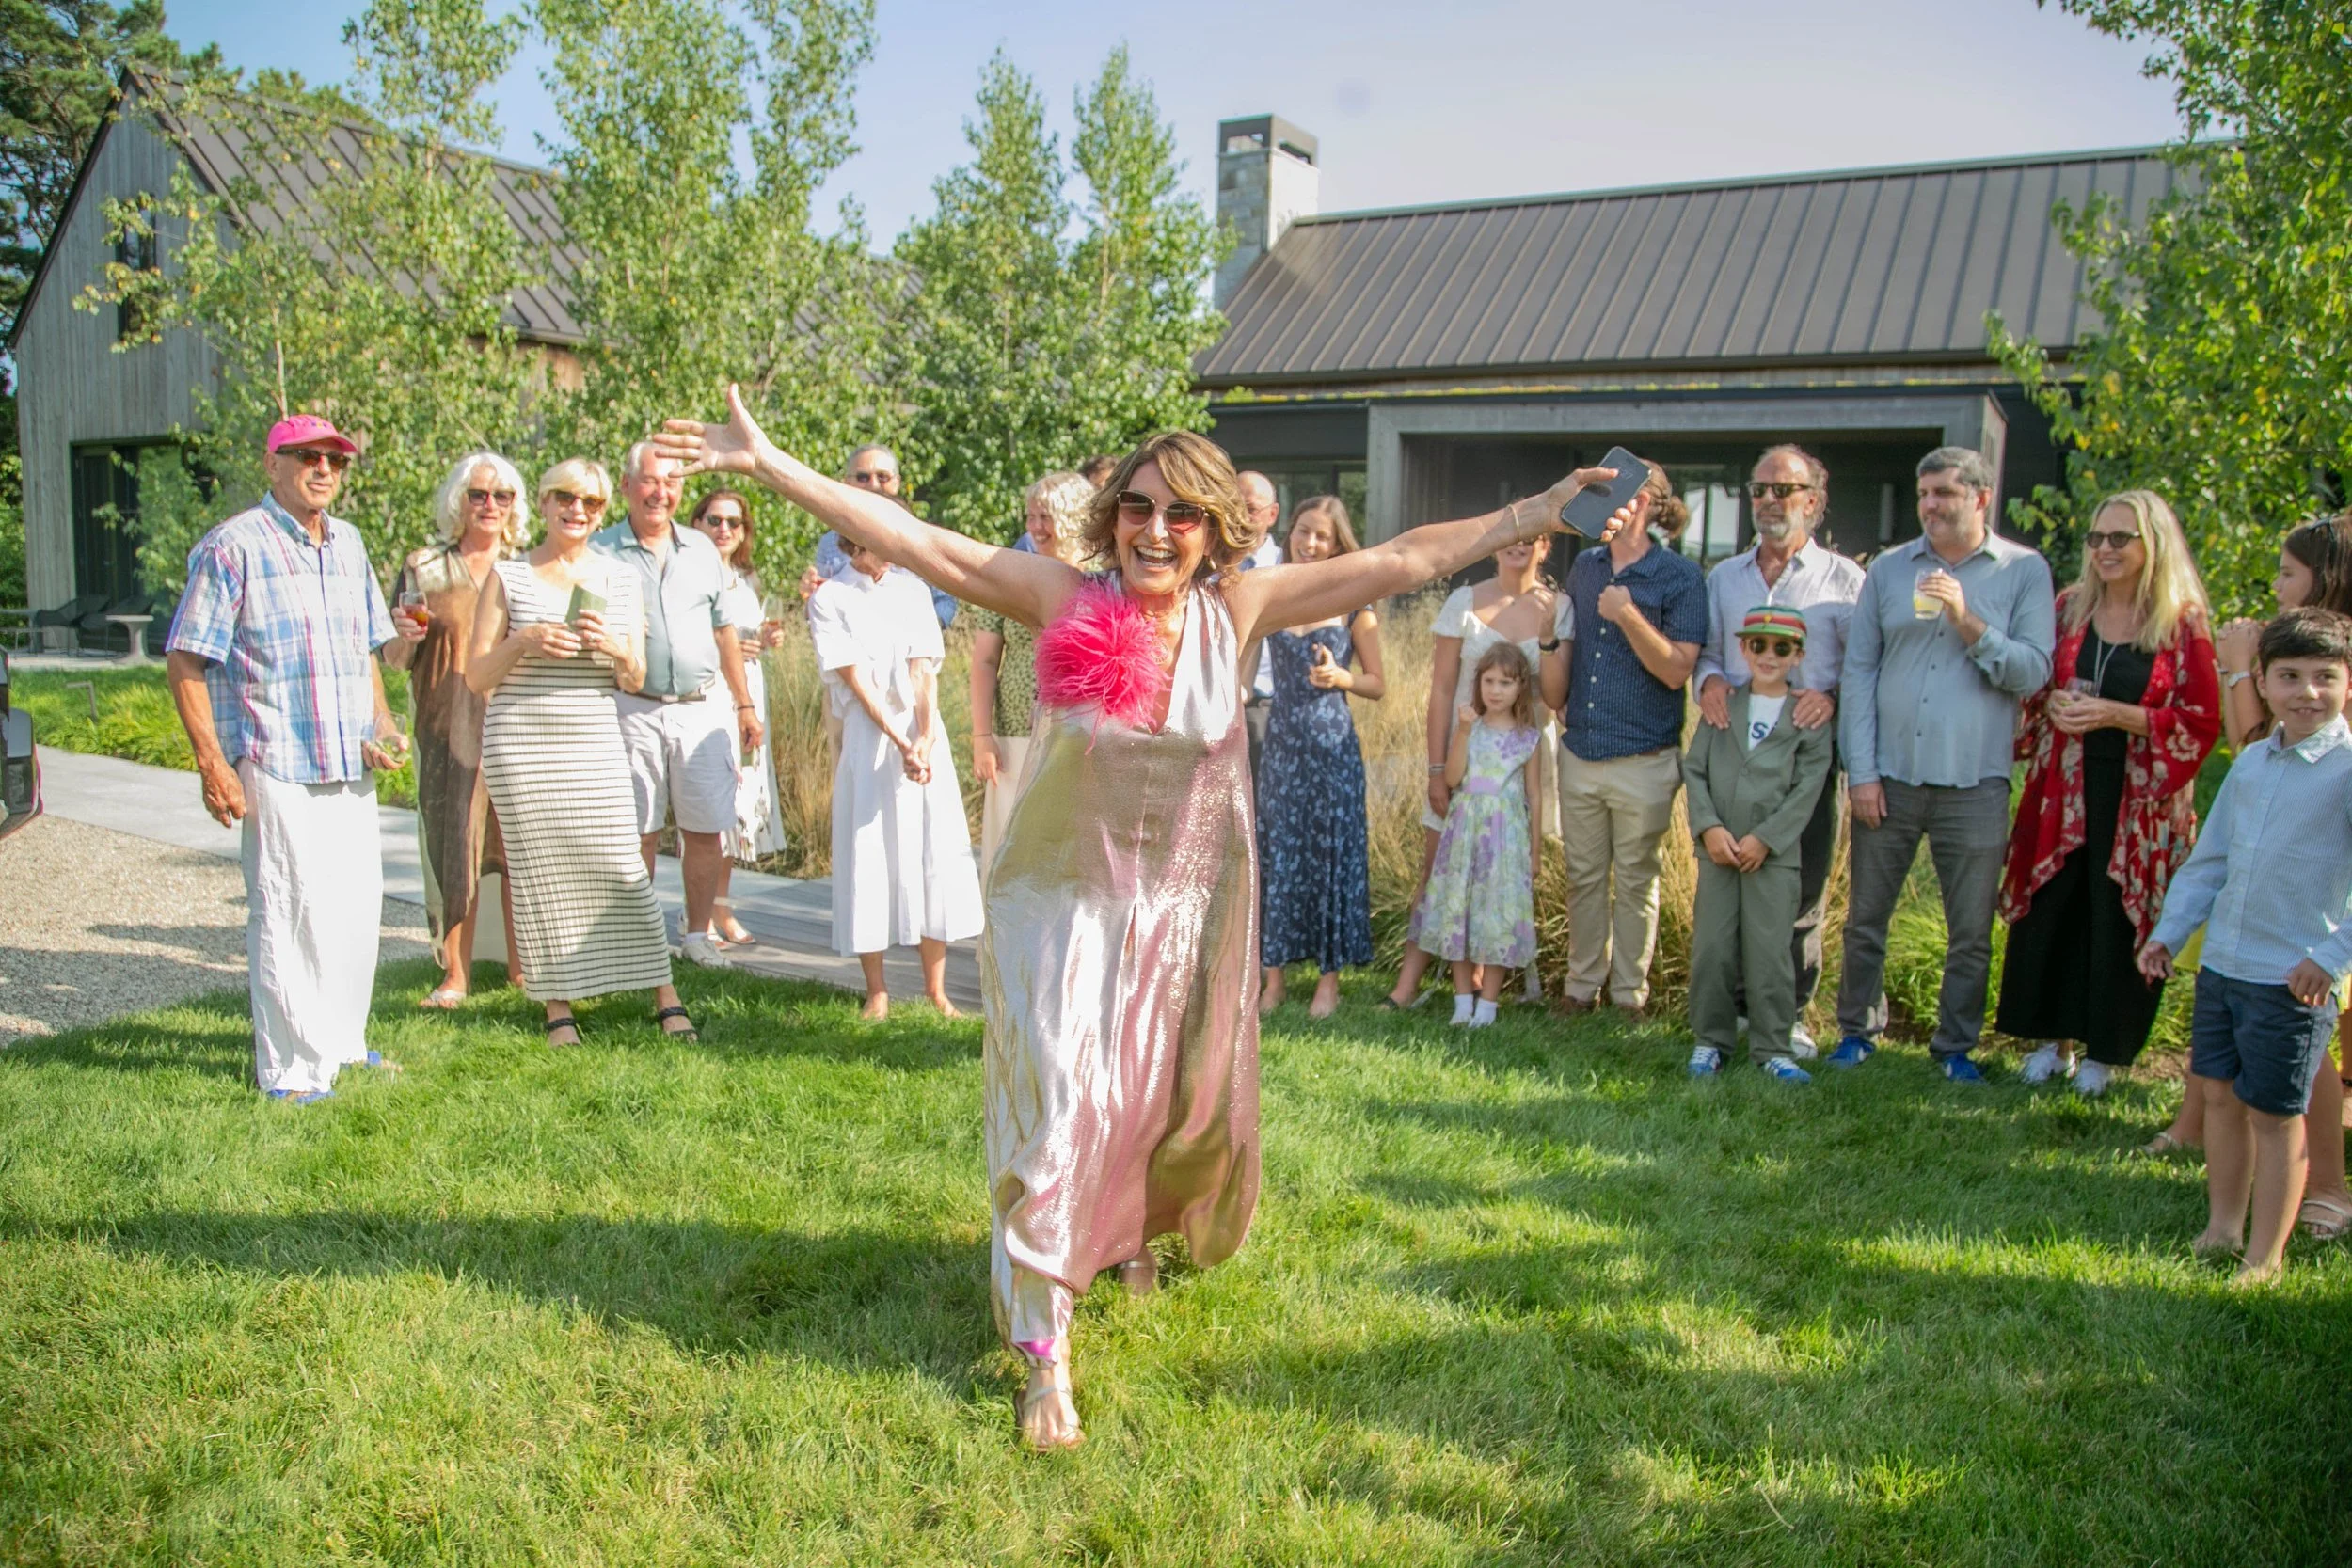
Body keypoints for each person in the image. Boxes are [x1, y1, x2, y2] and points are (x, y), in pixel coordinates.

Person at [658, 386, 1628, 1453]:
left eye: (1180, 514)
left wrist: (1531, 512)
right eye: (1138, 507)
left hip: (1188, 912)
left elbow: (1398, 559)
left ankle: (1128, 1228)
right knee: (1065, 1098)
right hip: (1061, 903)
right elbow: (916, 538)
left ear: (1214, 532)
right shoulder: (1058, 594)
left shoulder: (1238, 613)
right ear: (1112, 513)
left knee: (1175, 1102)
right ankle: (1043, 1352)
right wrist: (770, 461)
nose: (1154, 530)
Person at [163, 414, 407, 1101]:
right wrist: (213, 763)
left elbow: (364, 650)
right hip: (274, 758)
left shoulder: (351, 544)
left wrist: (381, 721)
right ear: (272, 465)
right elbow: (185, 656)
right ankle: (293, 1070)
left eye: (336, 460)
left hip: (347, 759)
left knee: (356, 911)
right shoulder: (233, 545)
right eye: (306, 456)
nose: (324, 469)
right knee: (289, 911)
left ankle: (342, 1046)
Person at [2150, 511, 2352, 1241]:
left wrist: (2329, 960)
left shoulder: (2347, 768)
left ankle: (2265, 1254)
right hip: (2226, 967)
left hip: (2292, 974)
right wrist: (2171, 932)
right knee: (2222, 1097)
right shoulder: (2257, 761)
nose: (2307, 693)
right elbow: (2211, 861)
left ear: (2347, 684)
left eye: (2325, 679)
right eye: (2289, 677)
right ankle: (2224, 1225)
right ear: (2260, 683)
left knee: (2275, 1112)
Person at [1833, 447, 2055, 1080]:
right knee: (1867, 918)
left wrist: (1966, 618)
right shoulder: (1891, 570)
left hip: (1975, 780)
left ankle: (1954, 1047)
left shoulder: (2022, 571)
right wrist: (1863, 772)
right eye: (1923, 492)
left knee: (1970, 931)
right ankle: (1856, 1032)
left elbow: (2034, 670)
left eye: (1944, 494)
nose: (1929, 504)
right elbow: (1861, 671)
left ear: (1980, 498)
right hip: (1892, 776)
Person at [467, 459, 699, 1045]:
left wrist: (617, 648)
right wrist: (524, 639)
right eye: (565, 497)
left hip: (593, 739)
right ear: (542, 504)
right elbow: (474, 676)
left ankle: (662, 992)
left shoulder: (620, 580)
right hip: (521, 741)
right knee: (542, 874)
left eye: (592, 502)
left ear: (602, 512)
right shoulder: (509, 578)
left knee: (623, 867)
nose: (578, 510)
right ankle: (557, 1004)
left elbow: (635, 675)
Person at [1996, 492, 2219, 1095]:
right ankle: (2052, 1040)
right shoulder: (2070, 608)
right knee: (2055, 907)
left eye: (2120, 538)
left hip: (2137, 795)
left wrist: (2118, 714)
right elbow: (2036, 686)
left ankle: (2103, 1051)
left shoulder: (2182, 621)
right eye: (2097, 538)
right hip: (2062, 786)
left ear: (2155, 543)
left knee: (2114, 916)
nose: (2104, 550)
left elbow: (2201, 718)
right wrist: (2054, 704)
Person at [1692, 445, 1863, 1052]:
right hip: (1735, 754)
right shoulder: (1724, 578)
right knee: (1731, 880)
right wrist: (1711, 679)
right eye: (1759, 489)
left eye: (1782, 490)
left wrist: (1835, 696)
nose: (1767, 501)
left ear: (1812, 502)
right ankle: (1735, 1013)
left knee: (1799, 889)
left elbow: (1865, 667)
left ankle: (1787, 1014)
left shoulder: (1845, 581)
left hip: (1804, 760)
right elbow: (1711, 652)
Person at [1539, 457, 1708, 1018]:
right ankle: (1581, 987)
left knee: (1637, 881)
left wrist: (1629, 614)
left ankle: (1629, 995)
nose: (1615, 501)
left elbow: (1678, 670)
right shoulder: (1585, 568)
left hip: (1644, 758)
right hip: (1582, 750)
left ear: (1652, 503)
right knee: (1584, 879)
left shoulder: (1681, 577)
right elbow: (1570, 651)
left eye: (1628, 492)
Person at [591, 443, 764, 971]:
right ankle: (636, 937)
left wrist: (744, 705)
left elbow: (724, 631)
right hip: (630, 706)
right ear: (626, 487)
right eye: (649, 481)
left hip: (698, 706)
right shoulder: (599, 551)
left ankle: (696, 935)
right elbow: (586, 631)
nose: (660, 492)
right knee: (636, 829)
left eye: (670, 483)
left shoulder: (702, 550)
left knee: (705, 828)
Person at [1387, 532, 1568, 1008]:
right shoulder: (1464, 602)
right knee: (1437, 870)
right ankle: (1407, 986)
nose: (1519, 546)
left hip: (1519, 757)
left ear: (1544, 547)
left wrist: (1548, 636)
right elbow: (1443, 689)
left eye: (1531, 539)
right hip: (1464, 751)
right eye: (1511, 537)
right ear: (1495, 546)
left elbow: (1554, 696)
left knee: (1497, 877)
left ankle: (1479, 992)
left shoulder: (1558, 606)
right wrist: (1436, 767)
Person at [809, 531, 984, 1017]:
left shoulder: (912, 591)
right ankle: (878, 990)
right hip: (869, 739)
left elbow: (922, 669)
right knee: (871, 852)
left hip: (924, 741)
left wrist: (924, 736)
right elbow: (855, 680)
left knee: (933, 849)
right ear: (854, 543)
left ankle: (936, 990)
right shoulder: (831, 598)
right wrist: (898, 738)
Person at [386, 451, 529, 1006]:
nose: (490, 506)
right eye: (478, 495)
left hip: (515, 723)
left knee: (519, 849)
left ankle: (523, 971)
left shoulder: (525, 568)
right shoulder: (425, 566)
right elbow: (396, 658)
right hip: (446, 725)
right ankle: (455, 976)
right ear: (459, 501)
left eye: (502, 496)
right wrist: (404, 635)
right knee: (452, 849)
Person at [1682, 608, 1836, 1082]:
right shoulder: (1723, 705)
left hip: (1773, 856)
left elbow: (1809, 788)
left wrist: (1766, 839)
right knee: (1712, 948)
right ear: (1744, 649)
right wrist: (1708, 827)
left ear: (1798, 656)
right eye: (1759, 646)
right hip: (1719, 850)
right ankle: (1710, 1040)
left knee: (1770, 951)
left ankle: (1772, 1045)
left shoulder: (1807, 717)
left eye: (1782, 648)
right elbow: (1695, 770)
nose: (1769, 656)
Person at [1257, 497, 1385, 1019]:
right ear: (1290, 533)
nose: (1310, 544)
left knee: (1331, 855)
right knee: (1278, 851)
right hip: (1282, 743)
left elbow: (1378, 684)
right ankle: (1273, 980)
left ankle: (1327, 984)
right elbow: (1243, 671)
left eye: (1322, 537)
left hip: (1332, 745)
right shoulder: (1272, 597)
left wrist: (1342, 678)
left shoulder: (1357, 604)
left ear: (1338, 546)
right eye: (1304, 532)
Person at [1404, 642, 1543, 1028]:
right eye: (1489, 681)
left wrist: (1535, 852)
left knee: (1496, 915)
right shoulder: (1470, 728)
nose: (1496, 690)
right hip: (1464, 833)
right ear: (1478, 683)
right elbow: (1451, 779)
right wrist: (1462, 732)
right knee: (1458, 913)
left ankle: (1489, 1005)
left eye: (1506, 682)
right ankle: (1462, 999)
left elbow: (1534, 794)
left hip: (1505, 838)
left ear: (1521, 688)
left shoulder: (1529, 739)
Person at [973, 472, 1091, 870]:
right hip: (1015, 740)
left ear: (1074, 518)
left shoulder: (1100, 583)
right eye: (1031, 516)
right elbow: (984, 661)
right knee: (1009, 854)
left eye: (1047, 516)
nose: (1036, 527)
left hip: (1079, 742)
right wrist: (981, 736)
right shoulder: (1009, 576)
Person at [688, 487, 786, 945]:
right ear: (696, 523)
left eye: (733, 522)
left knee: (739, 806)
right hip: (709, 697)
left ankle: (724, 909)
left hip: (748, 695)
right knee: (709, 805)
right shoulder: (686, 574)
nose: (724, 529)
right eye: (714, 520)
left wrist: (765, 639)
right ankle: (700, 916)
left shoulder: (746, 580)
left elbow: (750, 636)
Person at [802, 443, 958, 627]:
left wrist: (921, 635)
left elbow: (944, 601)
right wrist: (810, 598)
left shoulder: (921, 538)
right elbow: (821, 609)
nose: (873, 485)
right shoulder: (830, 543)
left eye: (882, 477)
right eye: (863, 477)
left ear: (896, 482)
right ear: (847, 483)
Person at [1235, 470, 1286, 778]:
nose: (1242, 517)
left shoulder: (1288, 565)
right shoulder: (1208, 565)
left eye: (1251, 509)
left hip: (1266, 710)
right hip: (1213, 707)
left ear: (1272, 514)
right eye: (1234, 506)